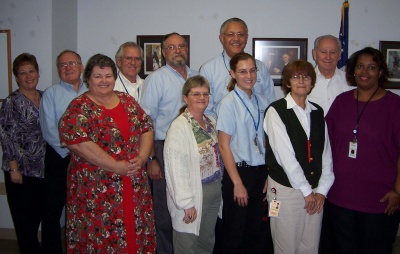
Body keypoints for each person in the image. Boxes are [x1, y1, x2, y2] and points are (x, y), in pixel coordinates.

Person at [58, 53, 156, 252]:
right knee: (101, 238)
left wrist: (143, 157)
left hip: (133, 183)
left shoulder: (126, 100)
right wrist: (115, 166)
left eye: (108, 76)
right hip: (96, 191)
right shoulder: (79, 108)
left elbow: (146, 127)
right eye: (98, 76)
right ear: (88, 78)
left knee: (135, 234)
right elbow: (78, 143)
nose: (104, 81)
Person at [325, 47, 400, 254]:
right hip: (340, 196)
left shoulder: (395, 106)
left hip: (380, 199)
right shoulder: (341, 102)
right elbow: (325, 144)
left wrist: (398, 191)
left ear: (381, 72)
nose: (364, 72)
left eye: (371, 67)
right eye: (359, 66)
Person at [263, 59, 334, 254]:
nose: (301, 81)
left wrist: (322, 191)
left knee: (310, 247)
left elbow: (325, 154)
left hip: (314, 190)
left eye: (306, 77)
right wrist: (306, 191)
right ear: (287, 83)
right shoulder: (276, 111)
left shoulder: (317, 112)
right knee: (286, 246)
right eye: (295, 77)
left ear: (312, 82)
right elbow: (285, 156)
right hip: (287, 191)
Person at [141, 32, 199, 254]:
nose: (178, 50)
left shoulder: (196, 76)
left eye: (181, 46)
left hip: (193, 146)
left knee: (191, 200)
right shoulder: (156, 79)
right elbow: (145, 122)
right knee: (166, 210)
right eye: (172, 47)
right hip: (163, 148)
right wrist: (151, 159)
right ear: (164, 52)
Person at [216, 52, 270, 253]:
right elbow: (223, 146)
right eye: (243, 71)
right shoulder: (228, 103)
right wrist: (238, 184)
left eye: (252, 70)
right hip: (238, 173)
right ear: (233, 73)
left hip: (260, 173)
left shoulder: (263, 102)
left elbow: (267, 142)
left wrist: (268, 174)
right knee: (235, 234)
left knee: (257, 233)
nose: (249, 76)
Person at [164, 75, 223, 254]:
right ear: (185, 98)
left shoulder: (211, 122)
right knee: (187, 245)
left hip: (214, 193)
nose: (202, 98)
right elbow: (175, 168)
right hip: (192, 195)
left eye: (205, 94)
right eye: (196, 94)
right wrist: (186, 202)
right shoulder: (179, 127)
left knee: (206, 243)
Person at [39, 49, 87, 254]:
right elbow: (49, 131)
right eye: (63, 65)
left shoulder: (91, 90)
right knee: (53, 210)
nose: (68, 68)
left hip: (88, 159)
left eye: (72, 63)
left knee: (84, 208)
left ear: (81, 67)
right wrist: (73, 149)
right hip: (60, 158)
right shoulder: (51, 93)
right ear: (58, 69)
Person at [0, 53, 46, 254]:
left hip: (43, 168)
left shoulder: (45, 96)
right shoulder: (12, 101)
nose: (28, 76)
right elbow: (6, 136)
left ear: (38, 73)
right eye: (23, 73)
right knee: (24, 222)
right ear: (16, 77)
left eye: (31, 71)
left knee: (37, 216)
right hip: (21, 169)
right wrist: (13, 168)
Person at [200, 17, 275, 118]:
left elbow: (270, 104)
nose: (236, 39)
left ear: (246, 38)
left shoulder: (260, 67)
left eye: (241, 34)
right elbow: (205, 109)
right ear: (222, 38)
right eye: (231, 34)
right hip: (221, 130)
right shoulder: (208, 69)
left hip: (257, 129)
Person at [307, 35, 352, 115]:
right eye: (323, 52)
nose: (328, 57)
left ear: (339, 55)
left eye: (333, 52)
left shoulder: (350, 81)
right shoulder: (304, 81)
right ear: (315, 54)